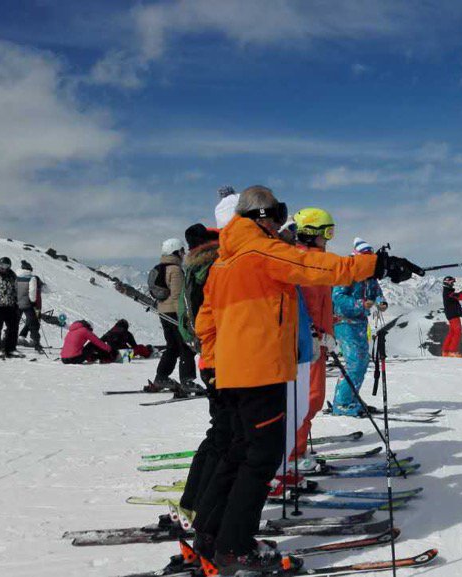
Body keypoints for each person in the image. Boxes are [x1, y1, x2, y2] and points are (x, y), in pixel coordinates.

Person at [191, 185, 422, 574]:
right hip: (259, 370)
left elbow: (206, 321)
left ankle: (211, 536)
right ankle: (234, 547)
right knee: (260, 458)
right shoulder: (259, 250)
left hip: (232, 372)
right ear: (261, 216)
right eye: (278, 214)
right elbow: (318, 268)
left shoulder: (224, 262)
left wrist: (212, 367)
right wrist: (377, 265)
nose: (281, 224)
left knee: (238, 452)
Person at [175, 223, 228, 515]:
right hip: (223, 360)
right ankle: (203, 506)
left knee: (218, 433)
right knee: (224, 436)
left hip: (208, 359)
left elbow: (188, 325)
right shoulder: (214, 271)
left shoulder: (192, 274)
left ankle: (194, 502)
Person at [291, 208, 336, 457]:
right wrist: (318, 335)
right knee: (308, 399)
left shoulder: (315, 261)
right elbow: (305, 307)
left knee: (311, 399)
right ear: (310, 233)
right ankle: (292, 454)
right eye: (327, 232)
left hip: (317, 342)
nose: (328, 238)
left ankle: (295, 449)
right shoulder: (305, 262)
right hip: (308, 344)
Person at [330, 237, 388, 416]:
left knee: (362, 362)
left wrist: (381, 302)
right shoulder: (348, 273)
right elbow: (338, 298)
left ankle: (351, 398)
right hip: (344, 322)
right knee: (354, 363)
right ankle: (342, 404)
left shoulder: (369, 276)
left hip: (361, 323)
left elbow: (376, 292)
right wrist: (360, 304)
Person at [146, 237, 199, 393]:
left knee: (172, 347)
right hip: (176, 314)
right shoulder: (175, 270)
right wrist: (185, 318)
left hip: (164, 313)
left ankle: (161, 377)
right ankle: (187, 381)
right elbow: (179, 296)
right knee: (186, 347)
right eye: (182, 251)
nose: (184, 254)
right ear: (175, 251)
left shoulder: (161, 268)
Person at [16, 260, 43, 352]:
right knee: (34, 324)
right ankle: (35, 342)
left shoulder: (17, 277)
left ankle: (11, 339)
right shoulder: (32, 279)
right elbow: (33, 294)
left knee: (14, 322)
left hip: (17, 303)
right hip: (31, 305)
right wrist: (33, 302)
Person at [441, 275, 462, 357]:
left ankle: (446, 352)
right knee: (457, 332)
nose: (453, 284)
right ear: (447, 283)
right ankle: (452, 352)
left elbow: (458, 295)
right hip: (453, 315)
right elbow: (460, 296)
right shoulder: (448, 293)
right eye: (452, 282)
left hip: (451, 314)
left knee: (452, 333)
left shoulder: (447, 292)